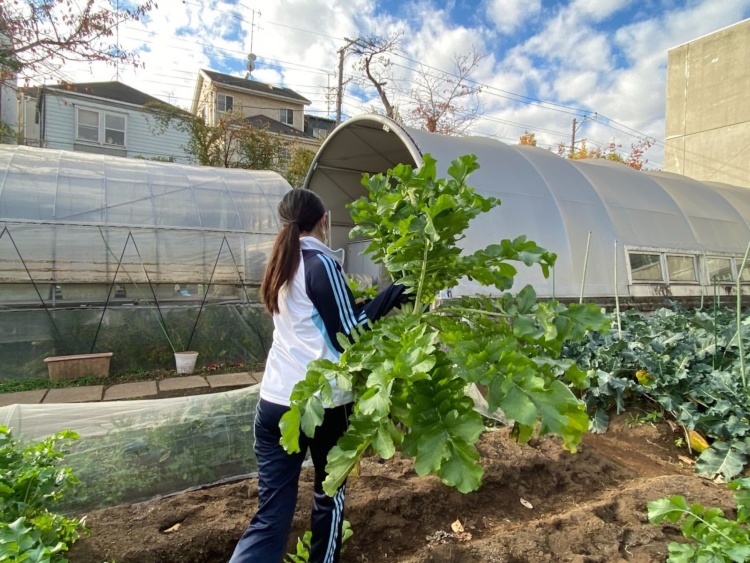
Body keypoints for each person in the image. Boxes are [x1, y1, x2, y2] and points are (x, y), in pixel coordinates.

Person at [229, 189, 406, 563]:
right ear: (324, 219)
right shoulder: (321, 263)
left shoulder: (280, 261)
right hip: (323, 404)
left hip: (276, 402)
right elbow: (350, 333)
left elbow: (328, 320)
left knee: (271, 511)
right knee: (329, 497)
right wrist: (390, 295)